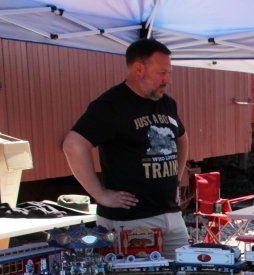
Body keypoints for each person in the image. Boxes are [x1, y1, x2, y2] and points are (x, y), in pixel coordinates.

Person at [62, 39, 189, 259]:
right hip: (132, 221)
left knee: (184, 274)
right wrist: (99, 194)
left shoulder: (166, 102)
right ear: (139, 69)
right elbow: (73, 145)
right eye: (161, 73)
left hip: (171, 214)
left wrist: (176, 180)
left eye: (169, 73)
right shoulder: (111, 105)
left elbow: (182, 138)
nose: (168, 80)